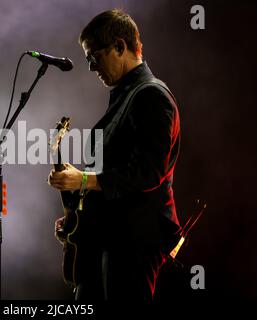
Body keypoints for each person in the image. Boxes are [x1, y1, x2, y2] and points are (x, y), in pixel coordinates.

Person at [48, 9, 182, 302]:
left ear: (120, 47)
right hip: (111, 238)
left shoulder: (152, 95)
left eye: (93, 57)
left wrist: (84, 179)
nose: (91, 67)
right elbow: (115, 171)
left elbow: (148, 171)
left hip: (133, 240)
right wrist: (79, 211)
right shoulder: (126, 95)